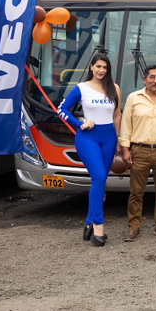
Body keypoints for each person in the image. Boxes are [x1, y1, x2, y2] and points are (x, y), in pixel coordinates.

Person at [57, 54, 121, 247]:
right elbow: (61, 109)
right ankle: (98, 227)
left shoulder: (114, 88)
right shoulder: (81, 88)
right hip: (88, 137)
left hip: (109, 137)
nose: (101, 70)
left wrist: (118, 140)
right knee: (100, 177)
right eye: (98, 66)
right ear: (92, 67)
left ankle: (88, 223)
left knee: (99, 181)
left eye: (105, 67)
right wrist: (79, 124)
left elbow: (117, 115)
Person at [120, 64, 156, 241]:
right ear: (145, 80)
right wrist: (125, 149)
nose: (155, 81)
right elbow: (126, 125)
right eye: (151, 77)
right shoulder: (133, 98)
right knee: (136, 192)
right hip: (139, 150)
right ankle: (133, 227)